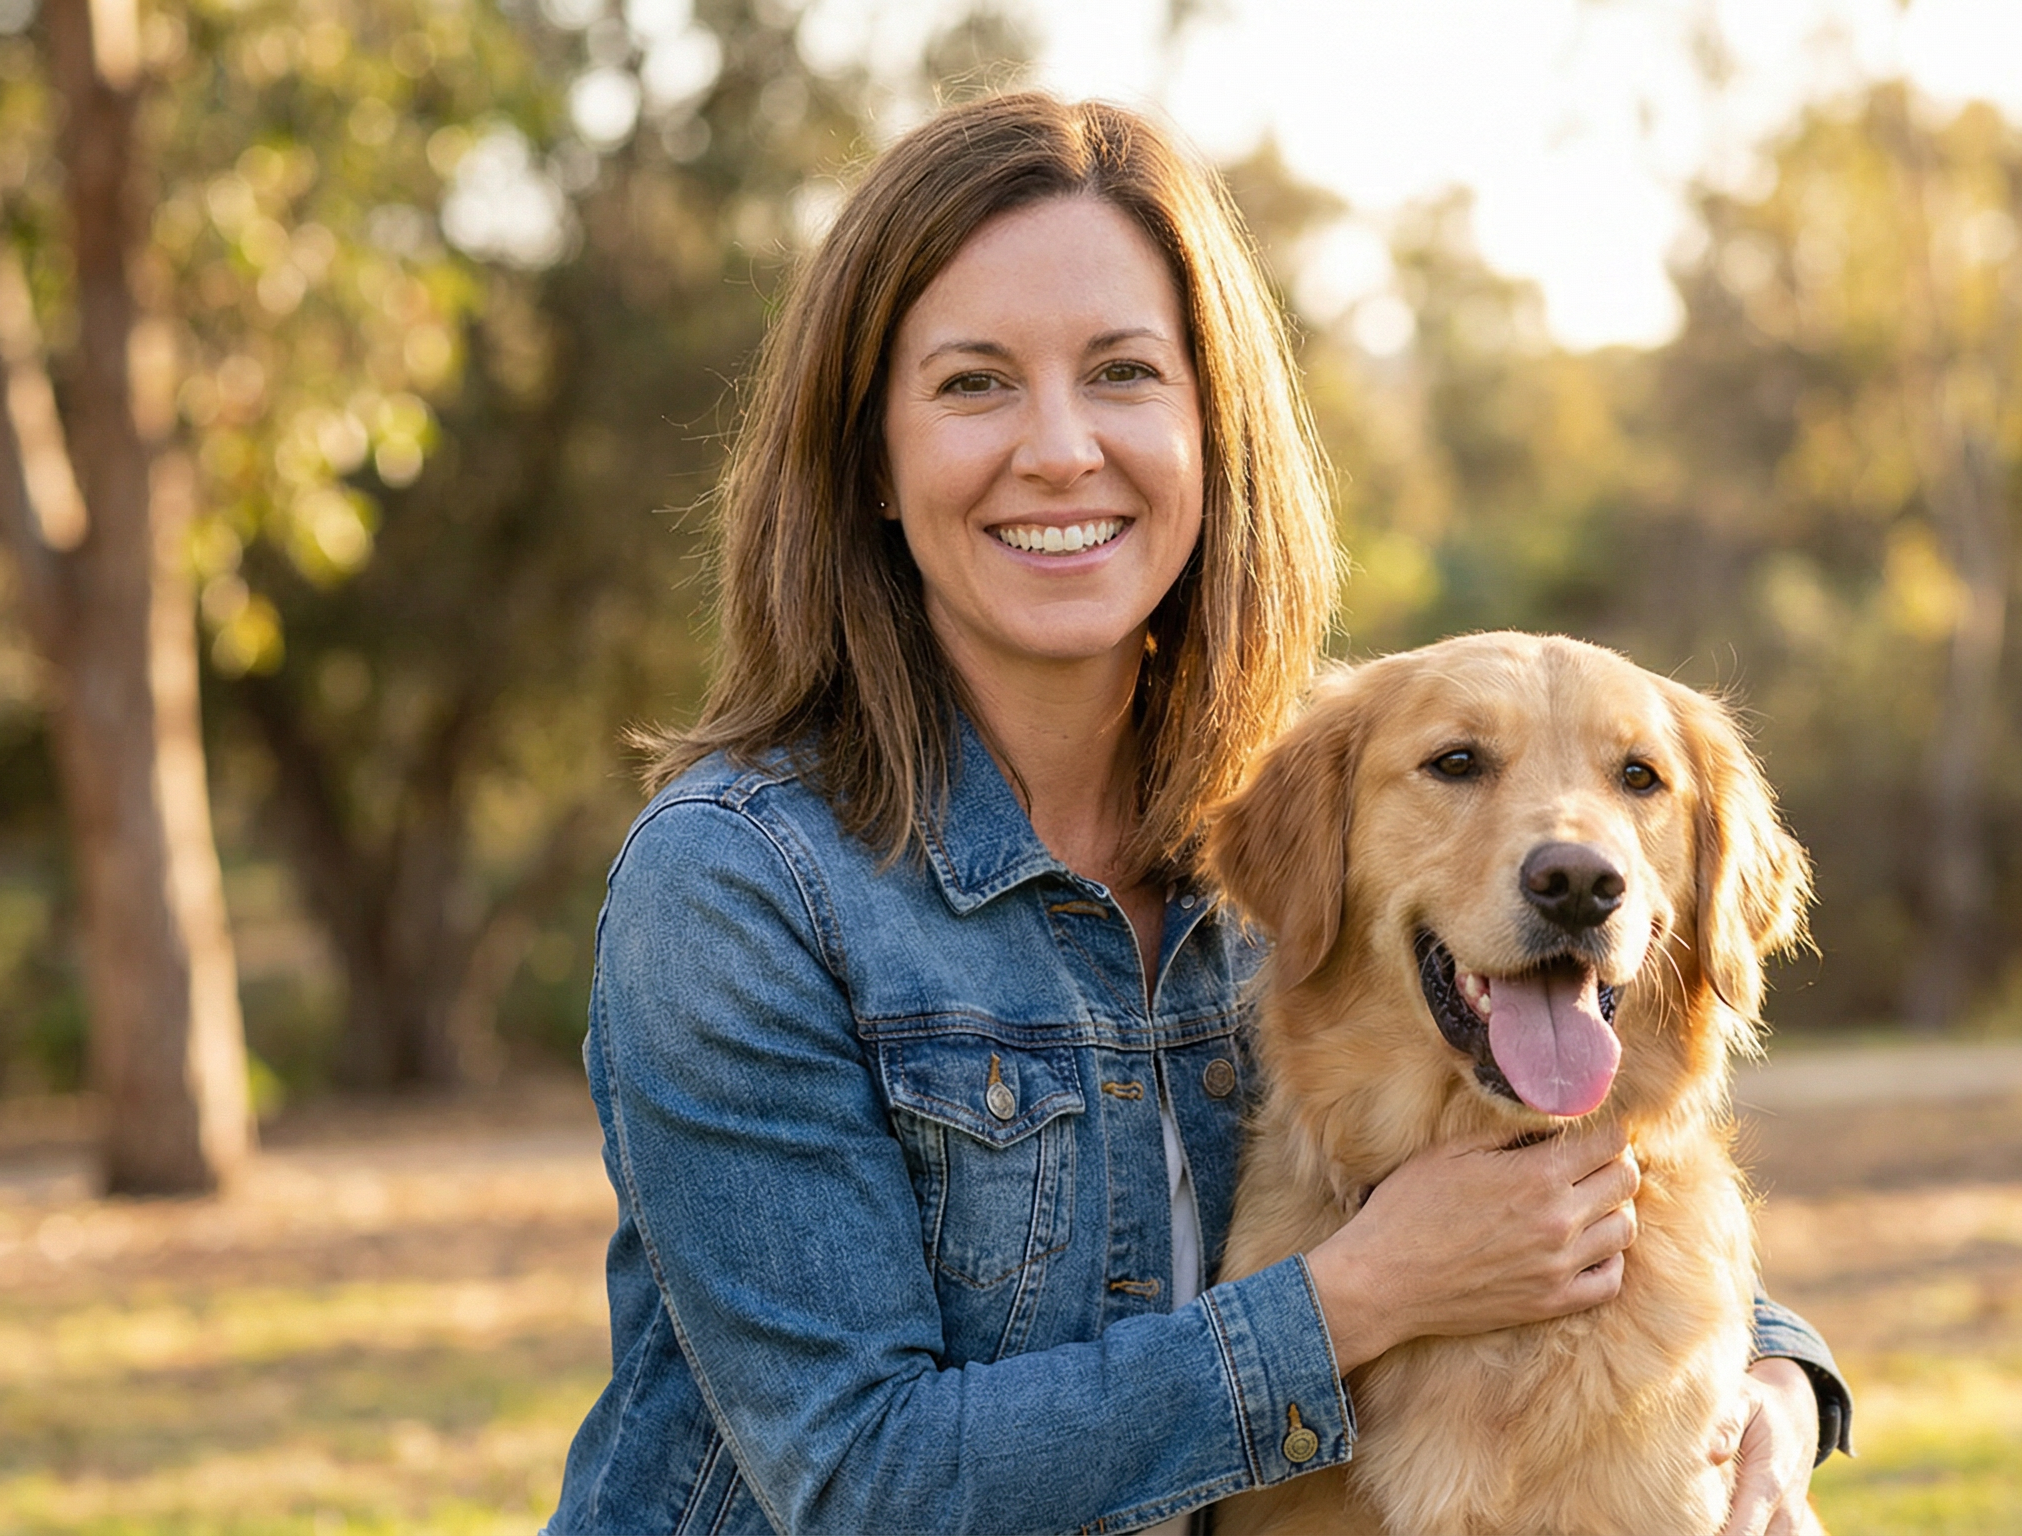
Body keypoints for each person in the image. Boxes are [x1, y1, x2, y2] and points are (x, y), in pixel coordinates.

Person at [545, 91, 1847, 1536]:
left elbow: (1555, 1193)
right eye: (975, 383)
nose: (1058, 450)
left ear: (1212, 434)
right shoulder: (738, 890)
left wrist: (1775, 1387)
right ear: (871, 464)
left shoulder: (1290, 844)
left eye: (1121, 374)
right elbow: (862, 1483)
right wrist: (1357, 1299)